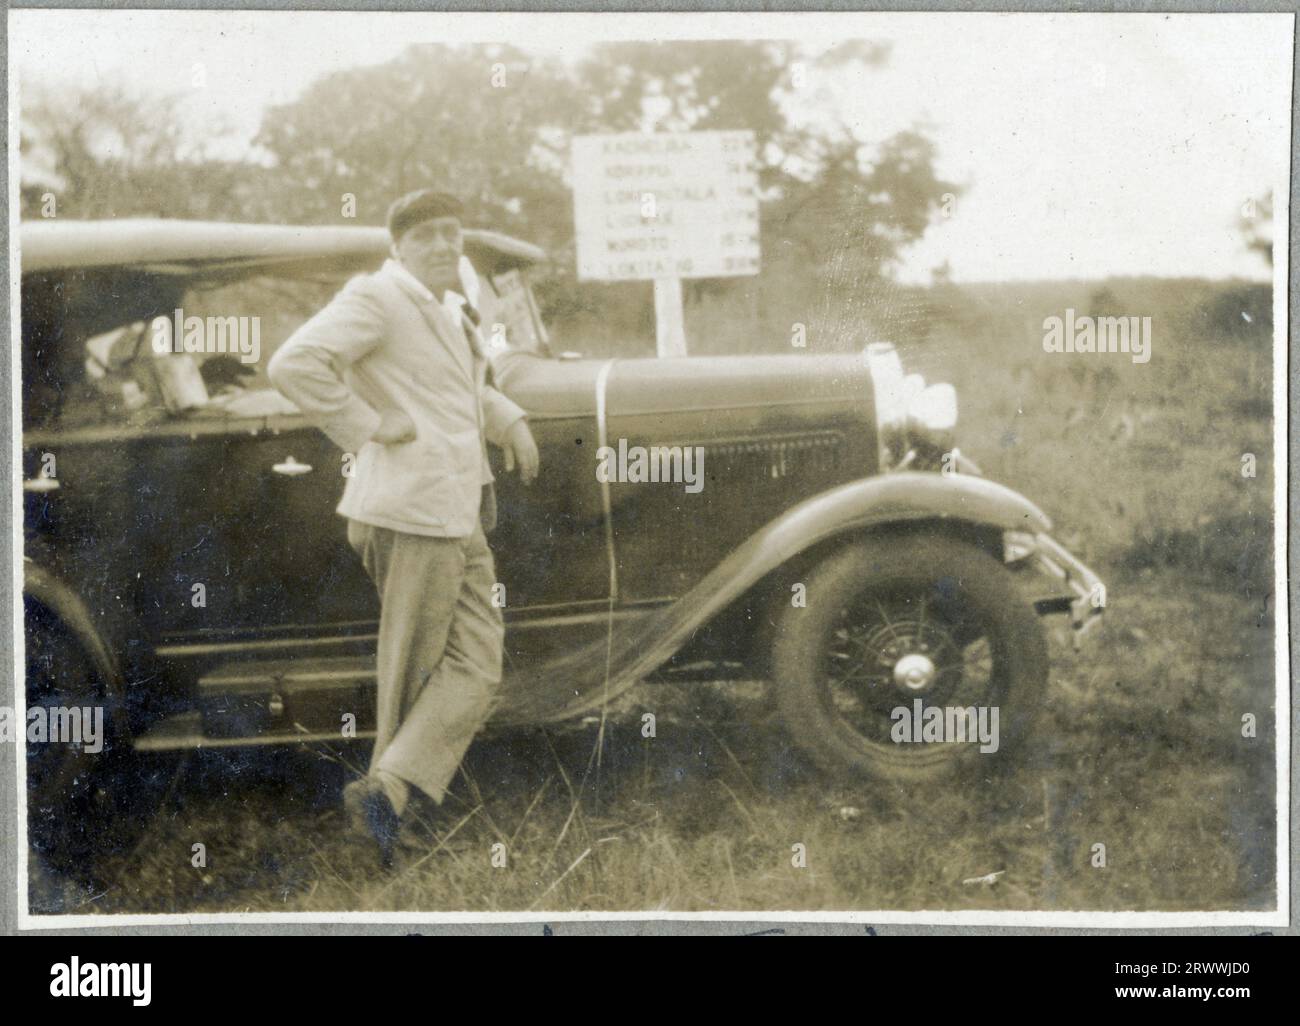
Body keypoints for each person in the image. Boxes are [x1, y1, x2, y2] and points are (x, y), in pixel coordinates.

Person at [267, 189, 539, 863]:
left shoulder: (440, 307)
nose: (446, 245)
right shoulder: (378, 297)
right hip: (411, 510)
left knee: (477, 663)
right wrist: (366, 426)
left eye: (454, 233)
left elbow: (449, 389)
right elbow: (293, 363)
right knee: (413, 670)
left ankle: (386, 791)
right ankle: (388, 823)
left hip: (456, 508)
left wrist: (509, 419)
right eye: (428, 236)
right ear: (399, 247)